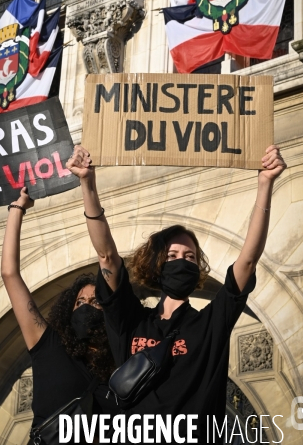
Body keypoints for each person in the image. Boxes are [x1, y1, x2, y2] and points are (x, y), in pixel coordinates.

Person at [66, 145, 287, 444]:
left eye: (190, 256)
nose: (181, 260)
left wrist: (265, 184)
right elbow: (107, 256)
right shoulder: (131, 322)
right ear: (157, 265)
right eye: (171, 255)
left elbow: (247, 261)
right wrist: (87, 183)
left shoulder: (210, 325)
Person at [1, 187, 117, 443]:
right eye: (80, 302)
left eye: (95, 301)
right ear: (69, 310)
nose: (86, 306)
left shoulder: (120, 367)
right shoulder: (49, 347)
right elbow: (10, 274)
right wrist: (17, 209)